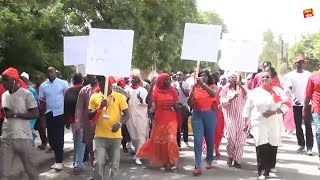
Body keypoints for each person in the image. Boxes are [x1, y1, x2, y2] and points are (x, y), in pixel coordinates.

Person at [243, 71, 291, 180]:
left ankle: (270, 165)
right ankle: (262, 171)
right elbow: (247, 107)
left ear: (271, 79)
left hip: (274, 121)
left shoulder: (278, 91)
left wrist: (274, 112)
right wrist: (246, 121)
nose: (265, 79)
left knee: (273, 143)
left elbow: (287, 104)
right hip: (259, 121)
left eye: (267, 77)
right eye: (263, 77)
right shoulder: (255, 92)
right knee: (261, 144)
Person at [0, 67, 39, 180]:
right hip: (6, 138)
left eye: (6, 80)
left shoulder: (26, 94)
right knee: (4, 173)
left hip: (23, 137)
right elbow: (7, 113)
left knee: (30, 170)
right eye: (3, 80)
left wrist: (16, 114)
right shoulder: (4, 95)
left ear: (15, 80)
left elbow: (35, 113)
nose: (4, 83)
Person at [136, 73, 180, 172]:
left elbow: (177, 103)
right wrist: (151, 86)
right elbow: (148, 101)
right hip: (160, 119)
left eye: (169, 79)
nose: (168, 81)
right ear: (160, 81)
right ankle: (164, 162)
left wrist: (177, 105)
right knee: (162, 142)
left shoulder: (173, 90)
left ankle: (173, 162)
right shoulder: (156, 91)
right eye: (166, 80)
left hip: (171, 119)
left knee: (171, 140)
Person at [88, 76, 129, 180]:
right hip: (100, 136)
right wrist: (100, 107)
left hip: (115, 137)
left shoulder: (119, 97)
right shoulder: (94, 97)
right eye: (99, 82)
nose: (102, 85)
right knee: (98, 163)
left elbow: (127, 114)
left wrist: (119, 124)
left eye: (104, 83)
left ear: (110, 84)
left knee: (114, 164)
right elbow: (89, 115)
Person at [187, 70, 218, 176]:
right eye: (200, 76)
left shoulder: (213, 87)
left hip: (209, 115)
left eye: (204, 75)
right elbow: (190, 104)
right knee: (197, 140)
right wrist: (192, 90)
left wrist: (203, 85)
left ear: (208, 77)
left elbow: (213, 94)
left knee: (209, 139)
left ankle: (209, 159)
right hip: (197, 115)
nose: (201, 77)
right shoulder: (194, 87)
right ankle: (197, 166)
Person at [39, 67, 69, 171]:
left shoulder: (63, 83)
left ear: (55, 73)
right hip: (49, 114)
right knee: (51, 139)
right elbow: (42, 101)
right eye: (48, 72)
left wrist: (67, 114)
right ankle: (57, 160)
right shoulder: (43, 86)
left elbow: (67, 98)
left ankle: (59, 161)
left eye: (52, 72)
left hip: (60, 114)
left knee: (59, 138)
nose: (50, 73)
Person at [286, 55, 313, 155]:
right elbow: (288, 88)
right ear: (295, 63)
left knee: (308, 125)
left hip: (307, 103)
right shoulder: (291, 75)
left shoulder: (308, 74)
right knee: (298, 125)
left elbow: (312, 87)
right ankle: (301, 144)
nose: (301, 64)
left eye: (302, 62)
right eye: (299, 62)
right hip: (296, 104)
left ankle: (309, 147)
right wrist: (294, 98)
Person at [220, 72, 248, 168]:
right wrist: (231, 99)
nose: (232, 79)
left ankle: (237, 160)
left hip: (241, 117)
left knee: (240, 140)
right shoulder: (225, 89)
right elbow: (222, 102)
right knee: (231, 139)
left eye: (234, 77)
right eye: (231, 78)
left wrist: (242, 87)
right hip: (230, 117)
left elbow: (248, 97)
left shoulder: (241, 88)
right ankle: (230, 156)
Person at [75, 75, 98, 169]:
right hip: (87, 124)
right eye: (89, 76)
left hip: (101, 123)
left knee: (99, 146)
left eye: (92, 75)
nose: (90, 77)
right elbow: (79, 108)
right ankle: (94, 165)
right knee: (90, 146)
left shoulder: (104, 89)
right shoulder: (84, 90)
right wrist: (77, 123)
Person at [64, 73, 84, 175]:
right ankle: (78, 165)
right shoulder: (84, 90)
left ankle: (76, 161)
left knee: (76, 141)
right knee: (81, 142)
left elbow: (65, 106)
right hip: (82, 120)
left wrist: (66, 121)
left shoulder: (68, 91)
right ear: (82, 80)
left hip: (72, 120)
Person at [126, 76, 149, 165]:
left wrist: (141, 99)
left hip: (141, 116)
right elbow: (124, 102)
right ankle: (138, 151)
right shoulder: (127, 90)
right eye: (133, 79)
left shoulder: (143, 90)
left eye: (136, 79)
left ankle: (138, 156)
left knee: (141, 135)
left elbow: (147, 102)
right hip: (130, 117)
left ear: (139, 81)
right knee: (134, 137)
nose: (134, 80)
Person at [303, 67, 320, 170]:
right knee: (319, 132)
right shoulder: (313, 77)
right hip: (317, 109)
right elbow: (308, 95)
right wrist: (304, 108)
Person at [20, 72, 39, 147]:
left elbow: (35, 103)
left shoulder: (31, 90)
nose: (22, 80)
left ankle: (31, 145)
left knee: (29, 131)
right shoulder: (18, 90)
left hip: (31, 115)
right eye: (21, 79)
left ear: (27, 80)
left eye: (23, 79)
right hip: (23, 114)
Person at [175, 71, 191, 147]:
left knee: (184, 124)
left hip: (184, 106)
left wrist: (181, 87)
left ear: (183, 76)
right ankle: (178, 142)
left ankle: (186, 140)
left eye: (180, 75)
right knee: (177, 125)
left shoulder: (186, 84)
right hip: (176, 107)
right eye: (177, 75)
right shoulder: (173, 84)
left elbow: (187, 94)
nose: (178, 76)